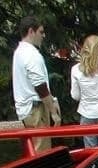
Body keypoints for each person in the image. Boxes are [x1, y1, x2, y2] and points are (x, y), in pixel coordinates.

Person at [12, 15, 61, 153]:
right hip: (36, 110)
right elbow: (40, 86)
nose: (43, 36)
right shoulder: (30, 54)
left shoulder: (20, 52)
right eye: (41, 32)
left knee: (36, 151)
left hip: (29, 109)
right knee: (41, 154)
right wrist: (53, 112)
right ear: (31, 31)